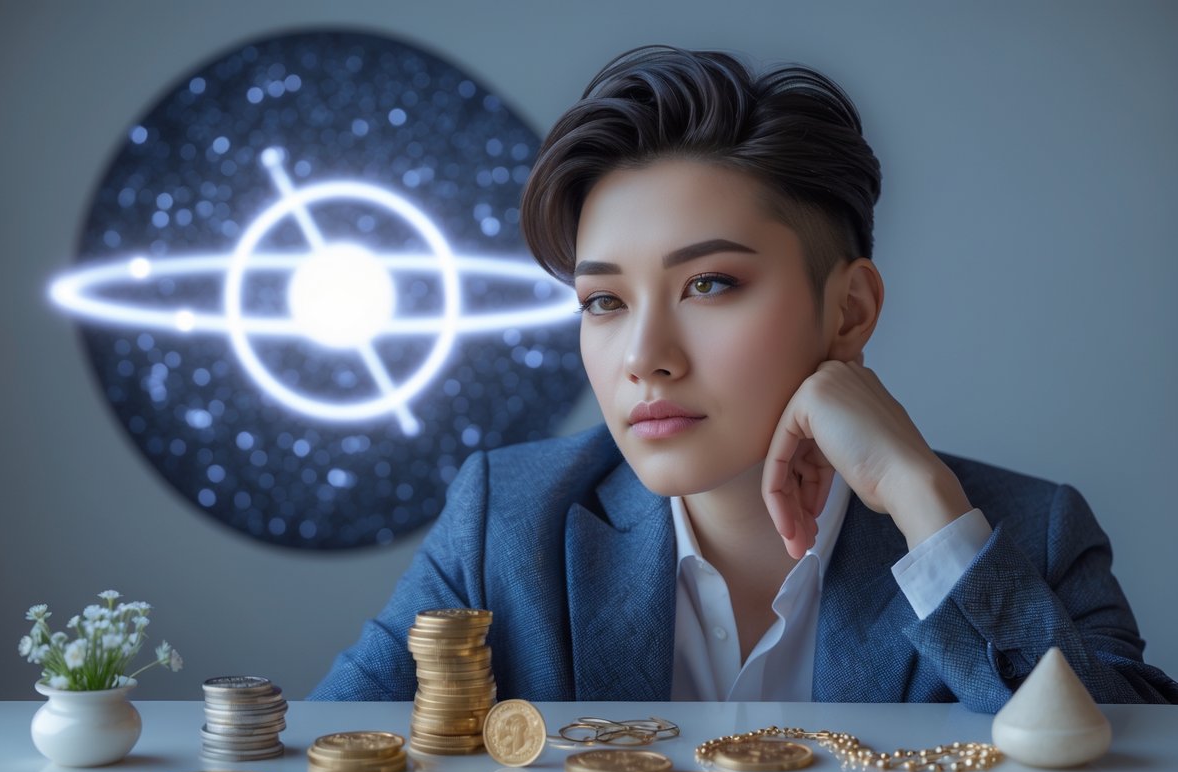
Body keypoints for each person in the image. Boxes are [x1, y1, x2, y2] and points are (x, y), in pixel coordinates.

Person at [311, 46, 1177, 712]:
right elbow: (321, 769)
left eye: (709, 285)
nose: (644, 354)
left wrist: (920, 501)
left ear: (848, 312)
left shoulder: (1029, 536)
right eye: (603, 301)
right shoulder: (507, 525)